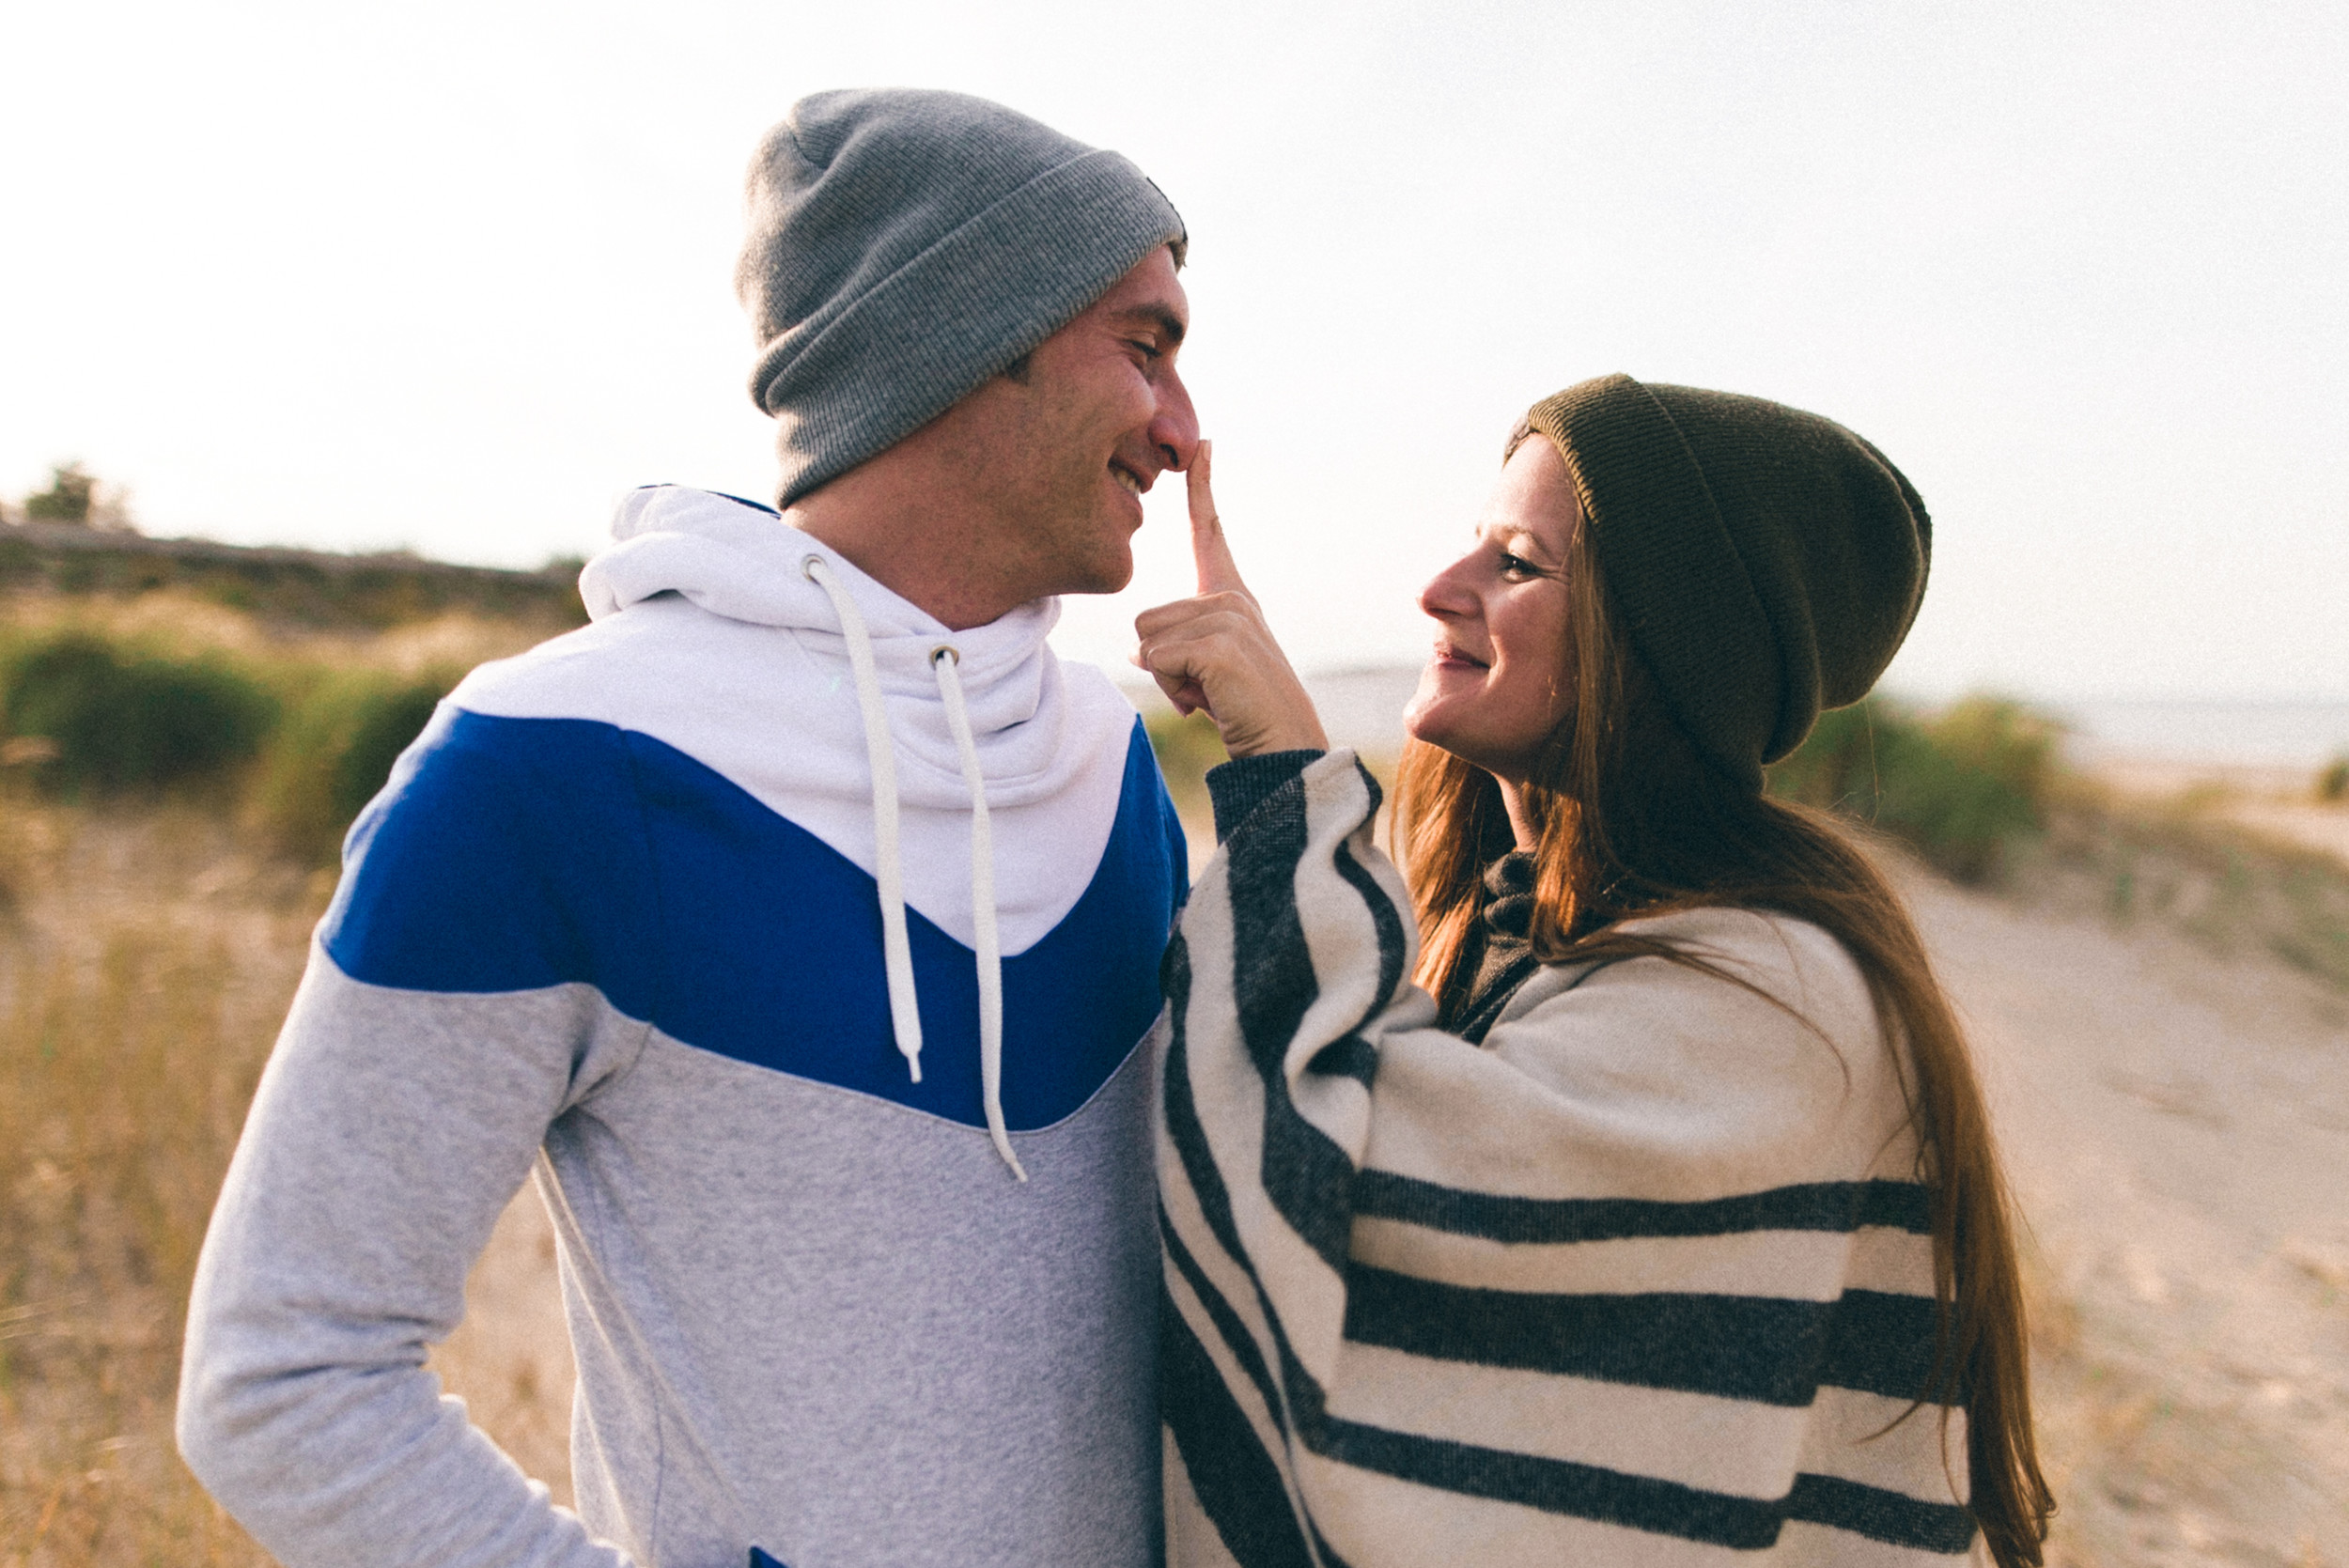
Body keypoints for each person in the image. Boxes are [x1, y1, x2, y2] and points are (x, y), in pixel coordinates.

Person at [179, 89, 1198, 1568]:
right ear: (978, 336)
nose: (1182, 429)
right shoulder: (555, 766)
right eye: (1146, 346)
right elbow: (281, 1378)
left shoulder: (1112, 763)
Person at [1135, 376, 2055, 1564]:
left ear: (1664, 642)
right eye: (1475, 543)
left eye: (1516, 563)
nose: (1439, 591)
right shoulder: (1501, 936)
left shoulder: (1775, 996)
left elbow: (1347, 1215)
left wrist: (1281, 770)